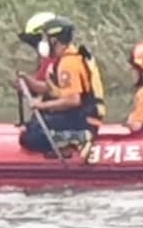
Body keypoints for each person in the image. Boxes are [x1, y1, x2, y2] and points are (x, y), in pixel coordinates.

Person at [19, 16, 107, 156]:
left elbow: (73, 100)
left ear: (53, 40)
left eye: (45, 38)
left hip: (84, 120)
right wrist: (27, 81)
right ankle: (65, 140)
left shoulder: (69, 63)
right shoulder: (62, 60)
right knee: (33, 126)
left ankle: (77, 139)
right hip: (78, 116)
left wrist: (41, 106)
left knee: (31, 137)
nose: (43, 42)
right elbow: (50, 88)